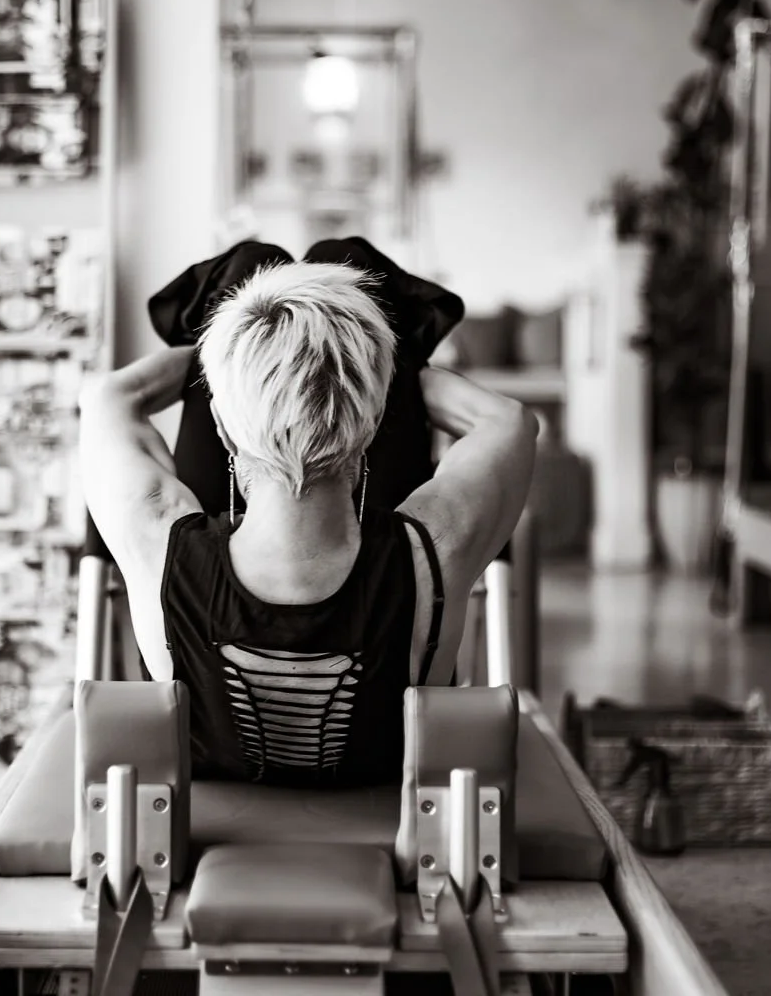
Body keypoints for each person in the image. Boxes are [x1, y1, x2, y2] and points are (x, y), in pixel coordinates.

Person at [79, 259, 537, 788]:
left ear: (223, 430)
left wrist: (219, 365)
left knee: (247, 260)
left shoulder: (156, 534)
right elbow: (507, 421)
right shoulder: (434, 547)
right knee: (346, 252)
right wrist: (394, 373)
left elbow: (109, 397)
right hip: (381, 786)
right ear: (372, 427)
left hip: (212, 795)